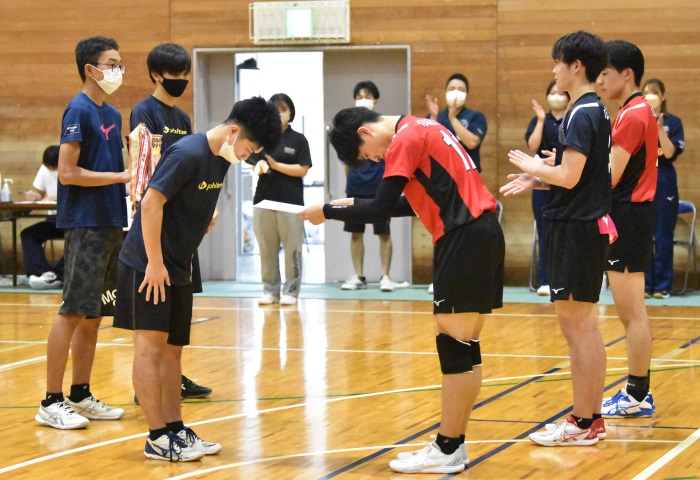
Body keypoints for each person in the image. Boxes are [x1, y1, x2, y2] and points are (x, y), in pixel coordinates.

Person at [301, 107, 504, 474]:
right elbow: (411, 201)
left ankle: (447, 447)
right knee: (465, 347)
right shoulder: (425, 127)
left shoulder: (404, 139)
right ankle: (454, 444)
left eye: (368, 155)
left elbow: (379, 209)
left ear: (365, 132)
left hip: (463, 237)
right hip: (482, 233)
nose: (375, 159)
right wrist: (354, 204)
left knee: (454, 348)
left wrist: (328, 211)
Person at [114, 96, 282, 461]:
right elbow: (150, 203)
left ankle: (175, 428)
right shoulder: (187, 153)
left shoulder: (221, 159)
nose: (246, 156)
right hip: (148, 264)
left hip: (178, 265)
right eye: (248, 149)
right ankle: (156, 437)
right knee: (149, 349)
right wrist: (155, 263)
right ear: (234, 131)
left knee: (173, 351)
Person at [501, 30, 611, 446]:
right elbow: (577, 175)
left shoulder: (581, 113)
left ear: (575, 66)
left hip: (576, 230)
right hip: (582, 225)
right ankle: (590, 420)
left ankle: (582, 423)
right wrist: (540, 178)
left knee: (578, 329)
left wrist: (536, 166)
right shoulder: (593, 109)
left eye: (557, 63)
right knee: (585, 328)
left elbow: (569, 175)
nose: (553, 70)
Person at [34, 36, 130, 430]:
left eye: (121, 63)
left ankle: (80, 394)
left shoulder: (114, 114)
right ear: (91, 69)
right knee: (73, 311)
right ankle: (50, 401)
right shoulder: (78, 109)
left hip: (111, 221)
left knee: (93, 315)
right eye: (112, 63)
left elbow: (121, 167)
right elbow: (68, 173)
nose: (118, 70)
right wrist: (119, 177)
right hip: (85, 223)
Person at [129, 42, 212, 402]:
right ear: (156, 74)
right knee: (153, 315)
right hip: (157, 220)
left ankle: (171, 376)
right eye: (173, 74)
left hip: (182, 226)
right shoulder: (144, 111)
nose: (181, 79)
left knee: (177, 314)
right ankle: (148, 385)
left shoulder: (183, 119)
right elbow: (144, 172)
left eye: (184, 73)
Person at [596, 40, 658, 418]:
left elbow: (610, 175)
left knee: (632, 312)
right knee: (629, 311)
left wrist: (563, 177)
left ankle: (637, 393)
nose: (600, 80)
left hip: (629, 215)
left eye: (605, 73)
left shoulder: (633, 114)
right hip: (629, 215)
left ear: (627, 74)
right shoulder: (630, 111)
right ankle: (638, 391)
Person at [248, 93, 311, 306]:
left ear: (290, 112)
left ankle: (291, 291)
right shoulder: (262, 138)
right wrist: (259, 166)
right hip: (263, 201)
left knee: (293, 249)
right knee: (266, 249)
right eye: (275, 109)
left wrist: (276, 166)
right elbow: (253, 161)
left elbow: (302, 169)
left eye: (283, 109)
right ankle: (270, 290)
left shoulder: (298, 140)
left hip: (290, 202)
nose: (279, 113)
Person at [341, 81, 400, 292]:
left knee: (383, 233)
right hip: (355, 186)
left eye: (367, 96)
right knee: (356, 233)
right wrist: (351, 181)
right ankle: (359, 276)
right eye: (359, 96)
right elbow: (347, 162)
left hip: (379, 187)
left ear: (375, 99)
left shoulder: (383, 125)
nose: (363, 99)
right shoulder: (349, 128)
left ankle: (385, 277)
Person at [524, 81, 569, 296]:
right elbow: (532, 146)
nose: (556, 96)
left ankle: (564, 279)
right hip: (542, 183)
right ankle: (545, 280)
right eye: (552, 93)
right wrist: (541, 120)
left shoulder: (573, 119)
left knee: (566, 233)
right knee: (544, 231)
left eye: (560, 93)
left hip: (566, 182)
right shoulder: (539, 120)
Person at [643, 79, 685, 299]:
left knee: (663, 234)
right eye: (646, 92)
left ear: (663, 96)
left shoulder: (673, 123)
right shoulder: (637, 119)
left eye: (654, 92)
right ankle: (645, 284)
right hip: (642, 178)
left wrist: (659, 130)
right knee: (643, 234)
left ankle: (662, 286)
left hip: (664, 179)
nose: (649, 96)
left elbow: (668, 153)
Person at [21, 145, 65, 290]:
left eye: (54, 167)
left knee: (79, 238)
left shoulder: (73, 167)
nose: (51, 169)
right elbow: (40, 194)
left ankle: (58, 275)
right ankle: (43, 273)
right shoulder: (44, 169)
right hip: (53, 219)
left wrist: (53, 197)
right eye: (49, 167)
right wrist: (34, 196)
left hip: (73, 221)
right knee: (28, 234)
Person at [425, 73, 487, 172]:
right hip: (440, 175)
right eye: (452, 89)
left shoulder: (476, 116)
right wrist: (433, 118)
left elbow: (472, 143)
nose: (456, 92)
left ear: (466, 94)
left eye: (461, 90)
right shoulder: (435, 116)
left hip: (468, 173)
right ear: (445, 92)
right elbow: (427, 145)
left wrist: (452, 118)